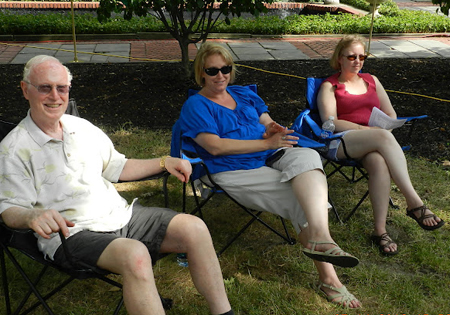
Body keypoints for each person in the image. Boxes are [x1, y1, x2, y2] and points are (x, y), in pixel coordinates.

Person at [0, 55, 235, 315]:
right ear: (25, 90)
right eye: (45, 87)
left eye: (62, 88)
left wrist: (163, 161)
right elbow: (9, 209)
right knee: (134, 254)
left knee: (195, 227)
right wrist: (32, 215)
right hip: (71, 235)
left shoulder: (81, 127)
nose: (55, 96)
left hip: (121, 217)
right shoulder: (14, 148)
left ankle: (223, 313)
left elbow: (117, 167)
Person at [179, 42, 361, 308]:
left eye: (225, 69)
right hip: (232, 169)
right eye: (213, 70)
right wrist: (266, 143)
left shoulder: (242, 94)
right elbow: (214, 147)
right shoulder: (196, 105)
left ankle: (321, 237)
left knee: (308, 157)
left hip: (268, 155)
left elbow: (264, 119)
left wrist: (270, 127)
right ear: (201, 73)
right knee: (300, 197)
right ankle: (329, 280)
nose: (221, 76)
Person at [316, 35, 445, 256]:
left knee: (379, 163)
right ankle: (414, 202)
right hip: (341, 141)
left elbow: (391, 114)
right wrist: (369, 131)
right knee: (383, 138)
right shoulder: (330, 86)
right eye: (352, 56)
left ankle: (379, 231)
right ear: (339, 59)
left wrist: (383, 129)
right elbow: (331, 122)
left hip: (374, 141)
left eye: (362, 56)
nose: (357, 61)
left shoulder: (372, 80)